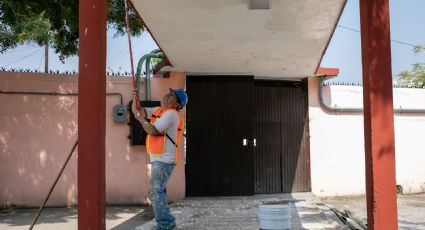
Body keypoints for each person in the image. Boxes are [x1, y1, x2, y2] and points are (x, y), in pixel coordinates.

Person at [132, 88, 188, 230]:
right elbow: (140, 110)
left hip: (164, 160)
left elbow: (152, 130)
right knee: (158, 191)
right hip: (159, 158)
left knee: (156, 191)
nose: (167, 95)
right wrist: (135, 100)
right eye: (168, 93)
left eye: (172, 96)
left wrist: (138, 116)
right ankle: (166, 222)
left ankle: (165, 223)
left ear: (177, 104)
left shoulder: (171, 115)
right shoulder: (160, 111)